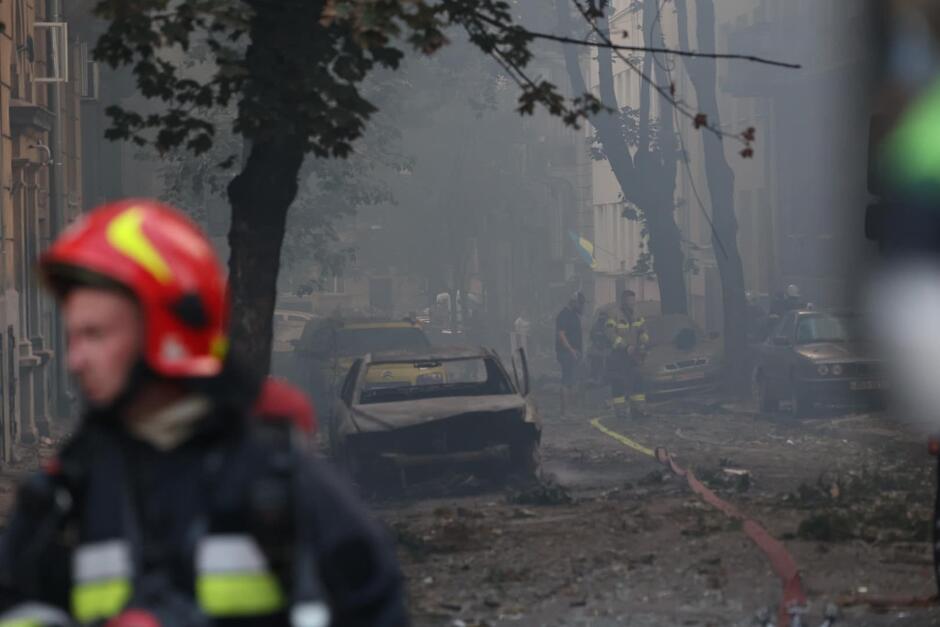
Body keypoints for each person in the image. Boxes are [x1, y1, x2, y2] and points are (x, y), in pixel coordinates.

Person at [0, 200, 407, 626]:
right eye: (73, 336)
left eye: (95, 334)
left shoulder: (275, 480)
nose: (75, 360)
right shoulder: (64, 497)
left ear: (168, 330)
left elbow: (375, 604)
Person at [606, 290, 650, 419]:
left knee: (637, 380)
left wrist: (644, 337)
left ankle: (638, 410)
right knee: (618, 382)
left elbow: (643, 328)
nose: (632, 302)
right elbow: (610, 334)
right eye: (629, 300)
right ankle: (620, 412)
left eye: (633, 300)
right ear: (623, 301)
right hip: (618, 354)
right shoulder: (613, 314)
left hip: (634, 354)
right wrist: (625, 346)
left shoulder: (637, 313)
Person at [555, 292, 585, 416]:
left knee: (571, 380)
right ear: (573, 302)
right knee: (567, 380)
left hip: (573, 353)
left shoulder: (573, 315)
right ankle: (565, 411)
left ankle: (569, 410)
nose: (581, 306)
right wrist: (571, 350)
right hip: (566, 353)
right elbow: (561, 334)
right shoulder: (564, 315)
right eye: (580, 303)